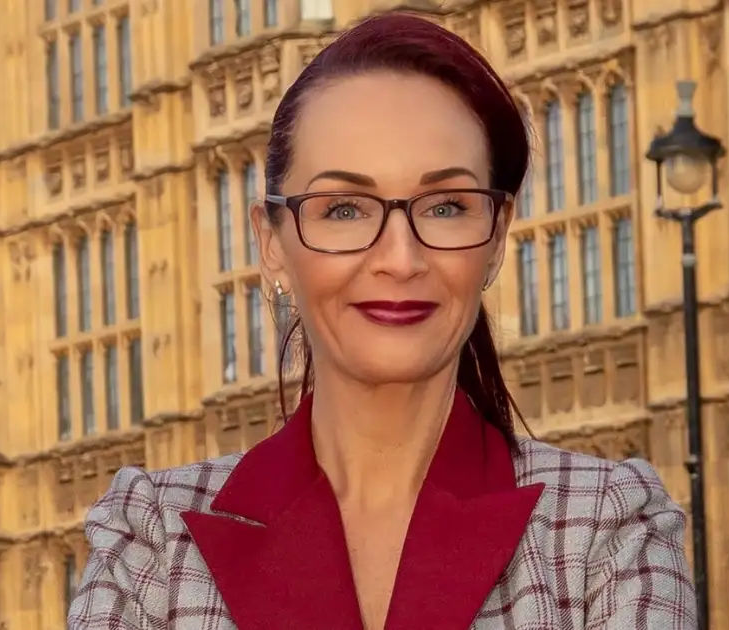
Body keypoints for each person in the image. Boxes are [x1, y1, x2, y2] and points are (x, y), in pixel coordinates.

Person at [67, 12, 695, 630]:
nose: (400, 258)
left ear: (497, 237)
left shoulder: (607, 530)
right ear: (273, 243)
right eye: (343, 210)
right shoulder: (150, 540)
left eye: (447, 206)